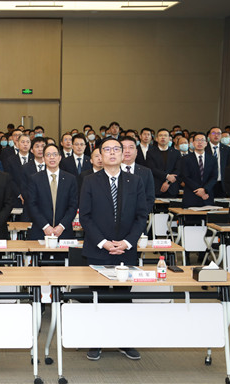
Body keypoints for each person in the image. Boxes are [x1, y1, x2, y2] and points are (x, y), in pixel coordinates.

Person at [79, 138, 148, 362]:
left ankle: (124, 341)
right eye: (107, 150)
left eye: (116, 149)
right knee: (97, 298)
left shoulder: (135, 181)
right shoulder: (90, 181)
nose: (112, 153)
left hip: (126, 250)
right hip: (98, 250)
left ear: (123, 154)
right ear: (99, 155)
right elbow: (85, 216)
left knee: (123, 297)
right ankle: (96, 341)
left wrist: (127, 242)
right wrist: (104, 242)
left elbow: (142, 216)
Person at [27, 143, 78, 241]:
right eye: (48, 155)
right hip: (40, 230)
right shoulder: (35, 179)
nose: (52, 158)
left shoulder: (70, 179)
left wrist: (61, 226)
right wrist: (45, 226)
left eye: (55, 154)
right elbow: (32, 205)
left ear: (60, 157)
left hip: (64, 232)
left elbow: (73, 206)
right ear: (43, 158)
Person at [179, 133, 217, 208]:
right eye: (197, 140)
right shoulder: (185, 159)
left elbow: (214, 177)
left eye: (202, 140)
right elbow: (185, 177)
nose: (200, 142)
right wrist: (199, 190)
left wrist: (205, 190)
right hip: (191, 195)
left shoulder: (212, 159)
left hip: (207, 195)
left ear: (206, 143)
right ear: (193, 143)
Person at [120, 136, 155, 212]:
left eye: (131, 147)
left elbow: (150, 198)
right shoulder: (112, 171)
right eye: (123, 148)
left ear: (136, 151)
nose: (127, 151)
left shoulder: (146, 172)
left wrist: (142, 215)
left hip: (139, 216)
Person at [146, 128, 181, 198]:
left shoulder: (176, 153)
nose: (163, 137)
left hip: (172, 188)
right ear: (156, 139)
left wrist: (168, 182)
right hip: (157, 187)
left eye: (165, 135)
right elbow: (152, 169)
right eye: (160, 135)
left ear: (169, 138)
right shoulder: (150, 152)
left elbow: (178, 169)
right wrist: (167, 176)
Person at [205, 126, 230, 197]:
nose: (216, 135)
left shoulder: (227, 150)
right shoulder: (204, 149)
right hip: (207, 183)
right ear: (209, 136)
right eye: (213, 133)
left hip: (222, 184)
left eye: (218, 133)